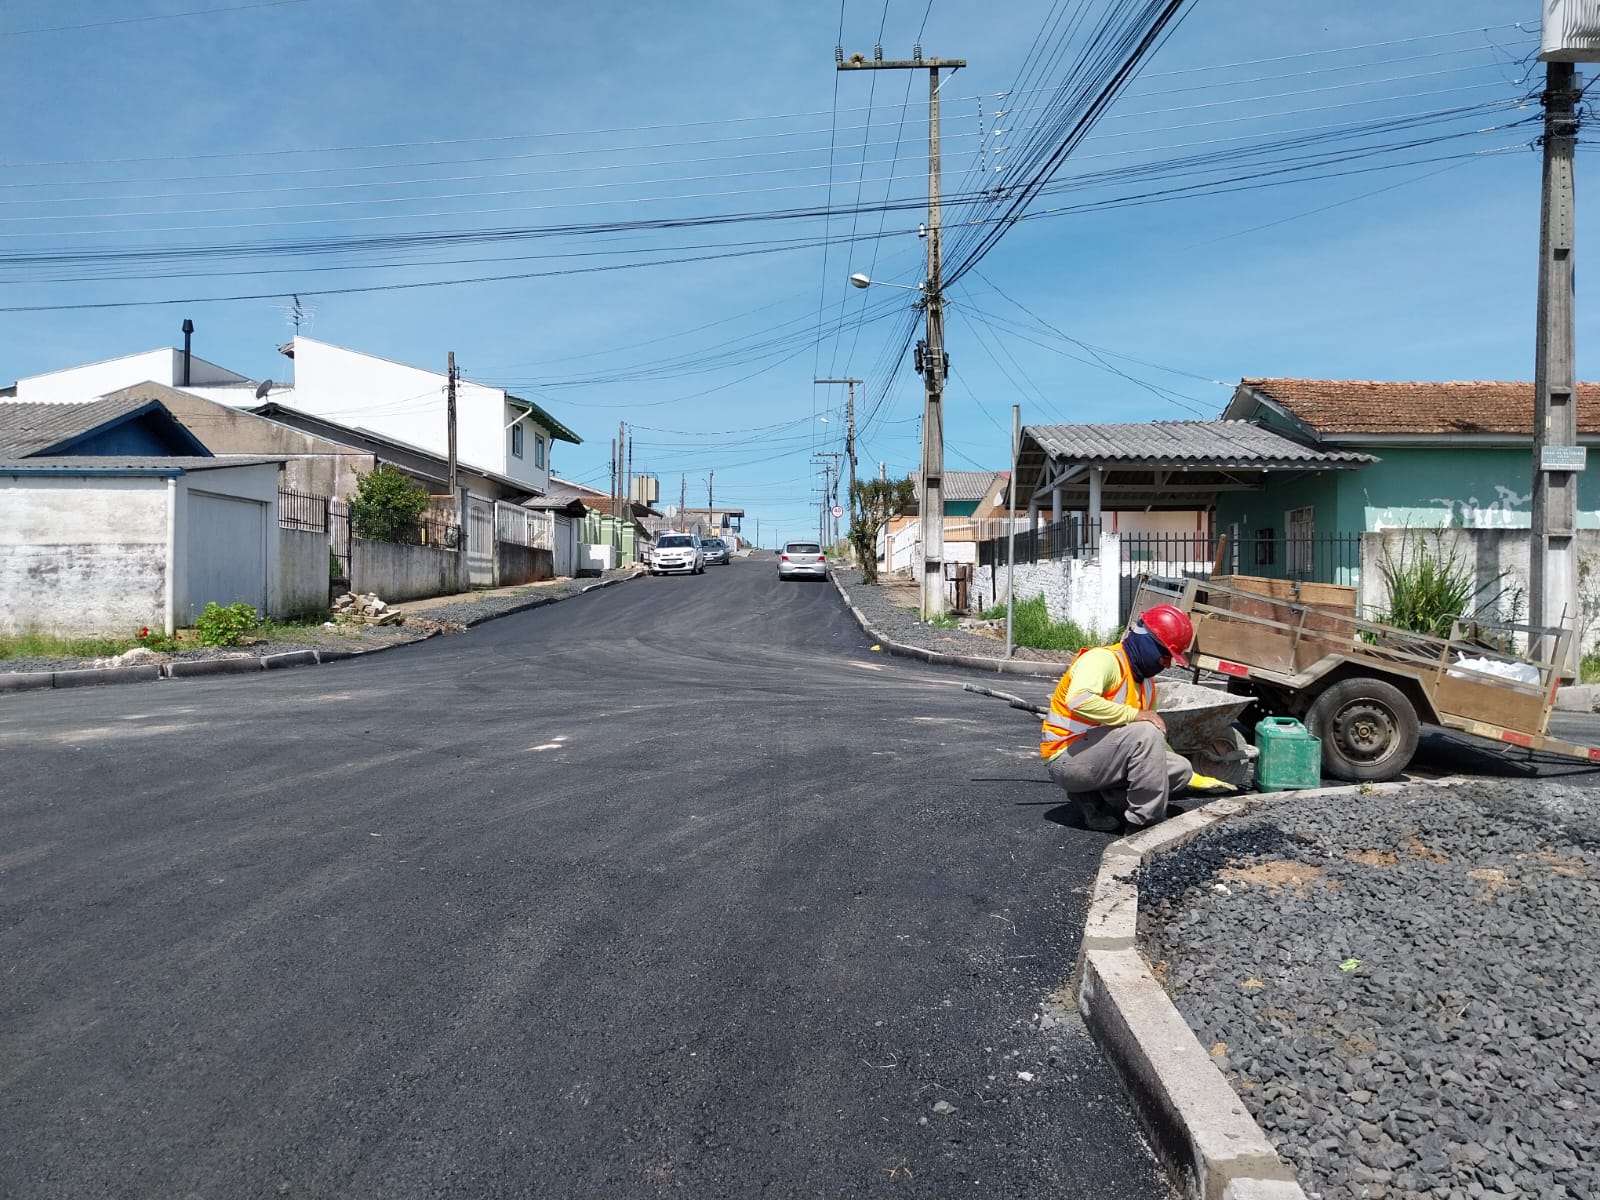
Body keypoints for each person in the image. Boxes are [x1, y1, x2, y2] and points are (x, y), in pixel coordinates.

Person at [1039, 604, 1201, 832]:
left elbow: (1153, 744)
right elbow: (1078, 700)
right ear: (1146, 641)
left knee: (1179, 769)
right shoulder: (1102, 660)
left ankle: (1098, 799)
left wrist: (1197, 777)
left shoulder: (1146, 684)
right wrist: (1135, 715)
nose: (1167, 664)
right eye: (1165, 655)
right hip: (1066, 758)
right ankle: (1142, 825)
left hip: (1100, 759)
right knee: (1144, 731)